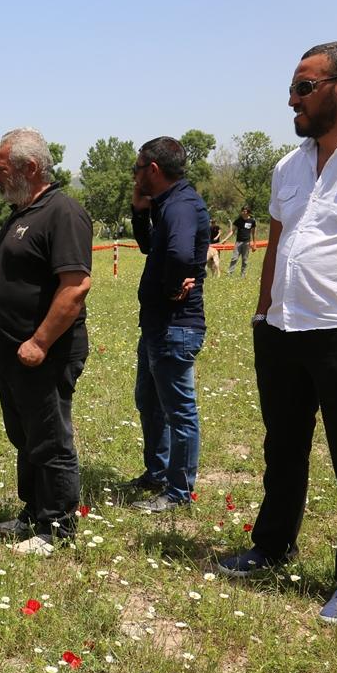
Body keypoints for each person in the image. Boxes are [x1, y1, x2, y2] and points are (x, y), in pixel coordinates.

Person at [218, 41, 337, 626]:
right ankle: (272, 546)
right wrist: (263, 312)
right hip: (283, 329)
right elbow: (279, 242)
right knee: (282, 449)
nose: (292, 99)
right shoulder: (288, 166)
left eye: (304, 87)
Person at [0, 128, 92, 556]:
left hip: (45, 353)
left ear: (30, 167)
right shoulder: (20, 213)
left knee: (49, 436)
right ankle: (33, 512)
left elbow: (75, 286)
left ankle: (57, 526)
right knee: (24, 435)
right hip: (11, 352)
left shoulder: (62, 212)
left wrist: (40, 341)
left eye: (1, 170)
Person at [124, 136, 210, 513]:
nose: (134, 175)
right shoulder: (168, 205)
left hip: (177, 326)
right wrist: (139, 210)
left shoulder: (182, 206)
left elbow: (176, 253)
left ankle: (178, 492)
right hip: (159, 325)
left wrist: (174, 287)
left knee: (179, 410)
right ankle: (157, 473)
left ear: (153, 170)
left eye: (137, 168)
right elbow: (149, 246)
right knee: (150, 401)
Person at [224, 206, 257, 277]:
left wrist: (254, 245)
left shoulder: (252, 221)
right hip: (238, 242)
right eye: (243, 211)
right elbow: (232, 231)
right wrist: (225, 239)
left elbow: (253, 233)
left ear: (248, 212)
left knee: (245, 260)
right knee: (234, 258)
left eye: (245, 211)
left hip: (247, 243)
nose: (244, 212)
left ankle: (243, 275)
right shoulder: (238, 220)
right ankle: (229, 274)